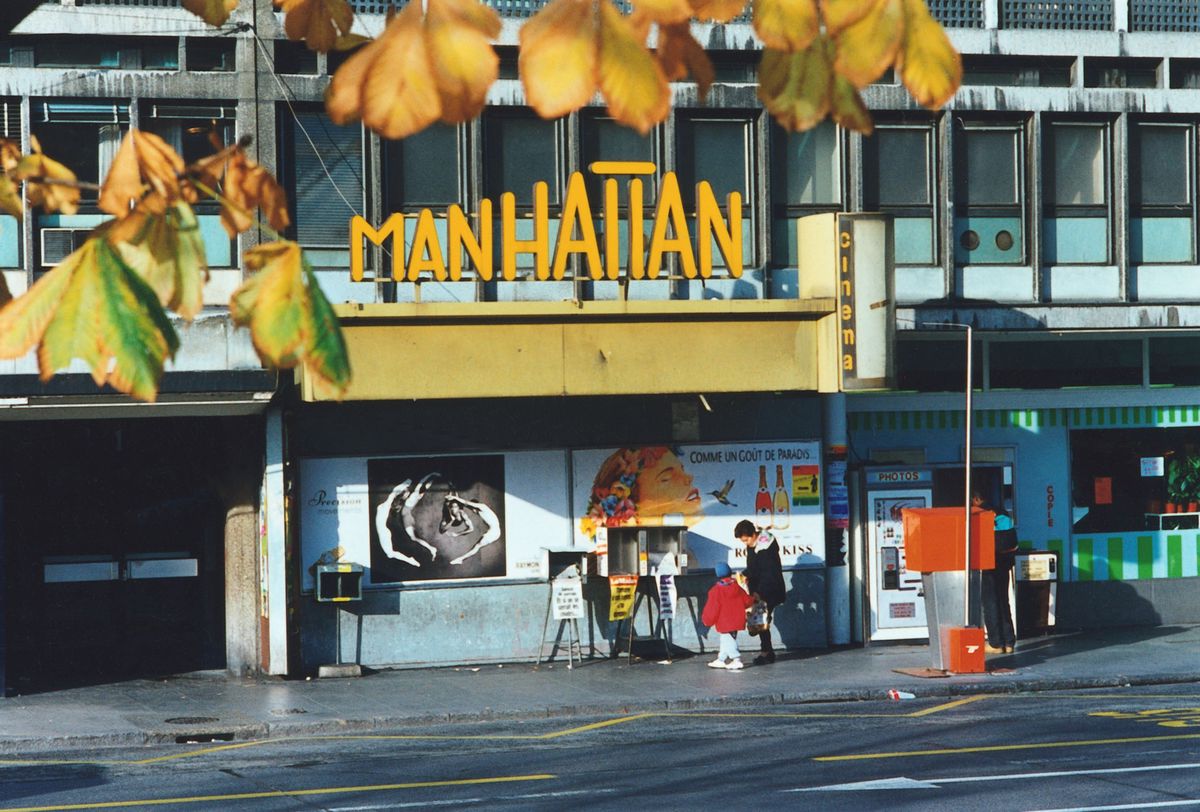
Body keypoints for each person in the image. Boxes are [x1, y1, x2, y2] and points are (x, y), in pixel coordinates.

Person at [735, 518, 786, 665]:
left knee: (762, 618)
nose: (745, 544)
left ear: (753, 535)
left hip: (768, 589)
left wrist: (760, 592)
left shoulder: (765, 547)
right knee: (761, 619)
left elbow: (769, 572)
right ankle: (767, 651)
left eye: (746, 540)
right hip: (758, 588)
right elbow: (754, 567)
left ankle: (766, 652)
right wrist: (745, 575)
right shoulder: (754, 546)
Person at [974, 491, 1018, 654]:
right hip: (1004, 562)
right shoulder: (1002, 512)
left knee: (990, 602)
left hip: (987, 563)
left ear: (977, 498)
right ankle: (1009, 642)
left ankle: (995, 643)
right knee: (1003, 600)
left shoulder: (978, 514)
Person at [375, 473, 439, 566]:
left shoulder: (410, 499)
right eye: (406, 492)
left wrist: (407, 482)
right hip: (397, 522)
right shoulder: (392, 505)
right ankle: (412, 559)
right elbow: (395, 493)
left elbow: (395, 492)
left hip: (396, 524)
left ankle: (412, 559)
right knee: (392, 553)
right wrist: (406, 483)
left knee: (392, 552)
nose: (408, 493)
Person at [701, 561, 754, 670]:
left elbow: (712, 608)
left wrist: (707, 620)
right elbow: (747, 601)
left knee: (728, 639)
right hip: (737, 619)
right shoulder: (737, 587)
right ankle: (721, 659)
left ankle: (736, 659)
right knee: (726, 640)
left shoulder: (715, 591)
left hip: (724, 621)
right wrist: (753, 599)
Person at [447, 494, 501, 566]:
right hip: (494, 532)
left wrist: (455, 497)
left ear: (475, 505)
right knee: (477, 546)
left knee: (477, 546)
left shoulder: (482, 506)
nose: (473, 512)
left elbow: (466, 503)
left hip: (494, 532)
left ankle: (461, 559)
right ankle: (461, 559)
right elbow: (467, 505)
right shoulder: (480, 511)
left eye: (473, 509)